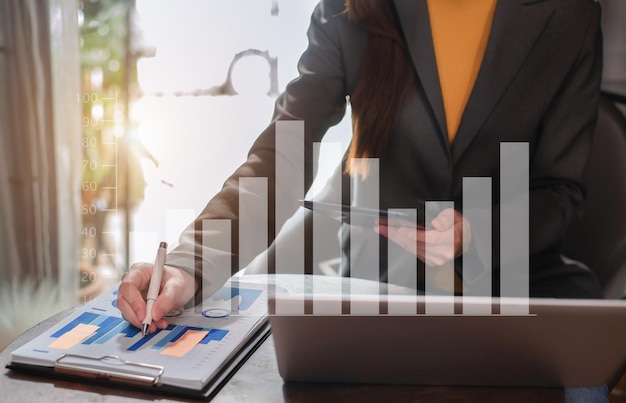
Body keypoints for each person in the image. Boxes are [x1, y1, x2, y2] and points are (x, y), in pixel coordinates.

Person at [118, 0, 607, 400]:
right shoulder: (348, 10)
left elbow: (559, 192)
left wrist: (476, 230)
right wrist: (189, 266)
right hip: (380, 289)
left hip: (521, 288)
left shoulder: (570, 15)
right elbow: (280, 160)